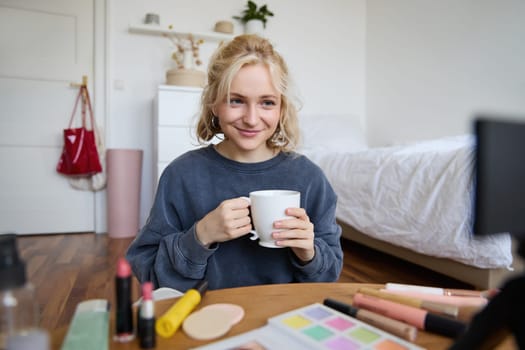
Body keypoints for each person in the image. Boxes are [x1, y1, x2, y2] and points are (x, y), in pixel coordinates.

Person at [126, 34, 343, 292]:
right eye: (236, 100)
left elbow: (328, 277)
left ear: (282, 109)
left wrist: (309, 252)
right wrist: (200, 236)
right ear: (214, 104)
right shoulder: (182, 175)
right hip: (204, 318)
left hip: (284, 317)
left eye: (267, 103)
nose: (252, 119)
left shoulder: (309, 178)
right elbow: (148, 273)